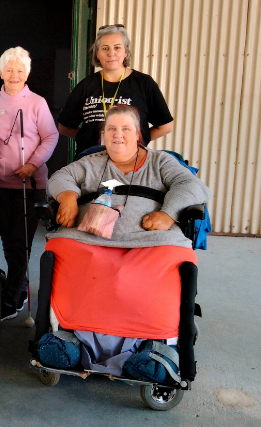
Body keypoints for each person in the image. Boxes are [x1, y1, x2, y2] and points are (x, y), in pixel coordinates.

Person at [42, 104, 210, 375]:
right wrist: (68, 197)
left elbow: (192, 186)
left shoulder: (160, 162)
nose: (117, 135)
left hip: (150, 241)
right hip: (92, 239)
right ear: (102, 134)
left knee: (174, 260)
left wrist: (168, 213)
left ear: (139, 134)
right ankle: (69, 338)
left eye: (125, 129)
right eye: (111, 129)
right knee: (59, 248)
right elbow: (61, 177)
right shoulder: (92, 162)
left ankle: (155, 347)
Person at [0, 46, 59, 321]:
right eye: (9, 69)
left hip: (29, 185)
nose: (14, 75)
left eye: (20, 70)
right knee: (7, 241)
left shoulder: (37, 102)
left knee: (20, 244)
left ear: (28, 73)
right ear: (1, 72)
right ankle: (17, 288)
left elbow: (51, 137)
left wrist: (33, 165)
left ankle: (13, 298)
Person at [57, 24, 174, 156]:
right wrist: (87, 136)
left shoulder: (144, 83)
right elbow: (64, 127)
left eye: (117, 47)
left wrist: (136, 140)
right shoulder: (85, 85)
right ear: (97, 53)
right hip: (89, 162)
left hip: (130, 161)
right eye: (104, 48)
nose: (111, 53)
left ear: (126, 52)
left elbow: (165, 126)